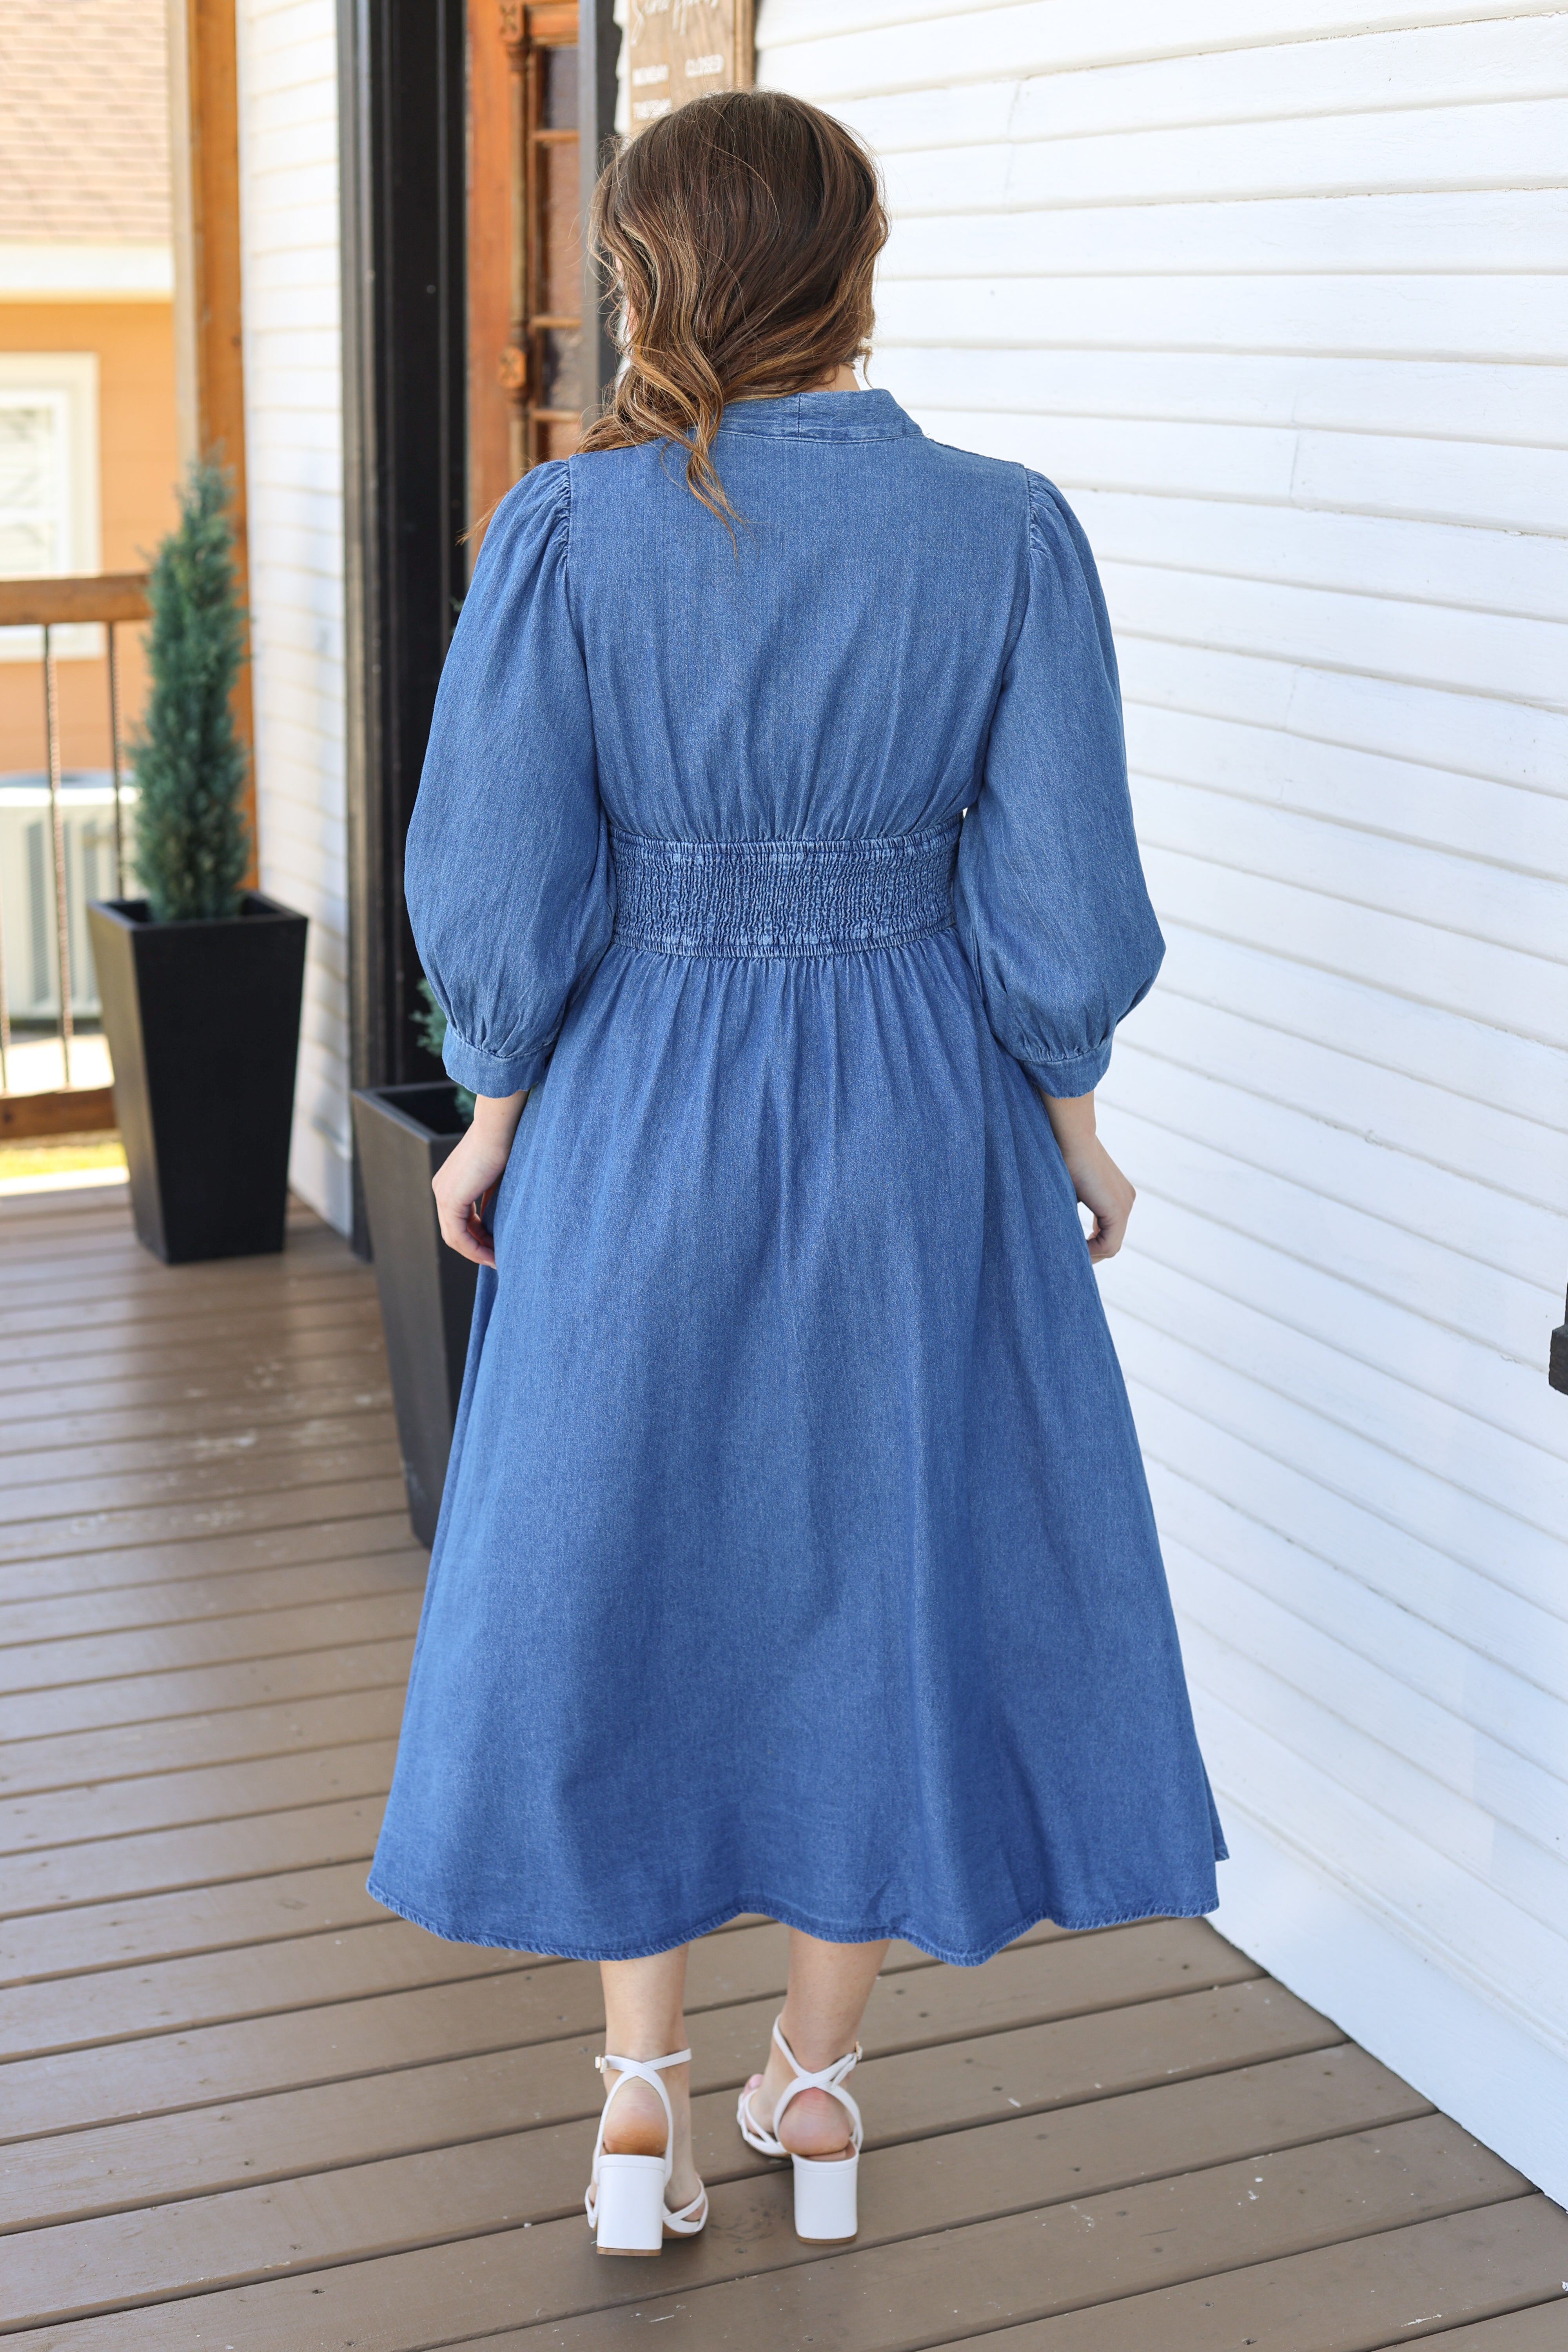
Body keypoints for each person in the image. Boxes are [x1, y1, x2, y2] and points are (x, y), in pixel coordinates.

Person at [368, 88, 1225, 2258]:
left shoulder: (571, 534)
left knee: (624, 1558)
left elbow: (499, 875)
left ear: (652, 277)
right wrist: (1074, 1121)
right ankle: (818, 2086)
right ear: (856, 272)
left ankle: (636, 2100)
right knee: (885, 1560)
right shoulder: (1007, 530)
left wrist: (493, 1109)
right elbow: (1061, 893)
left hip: (642, 1101)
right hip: (919, 1111)